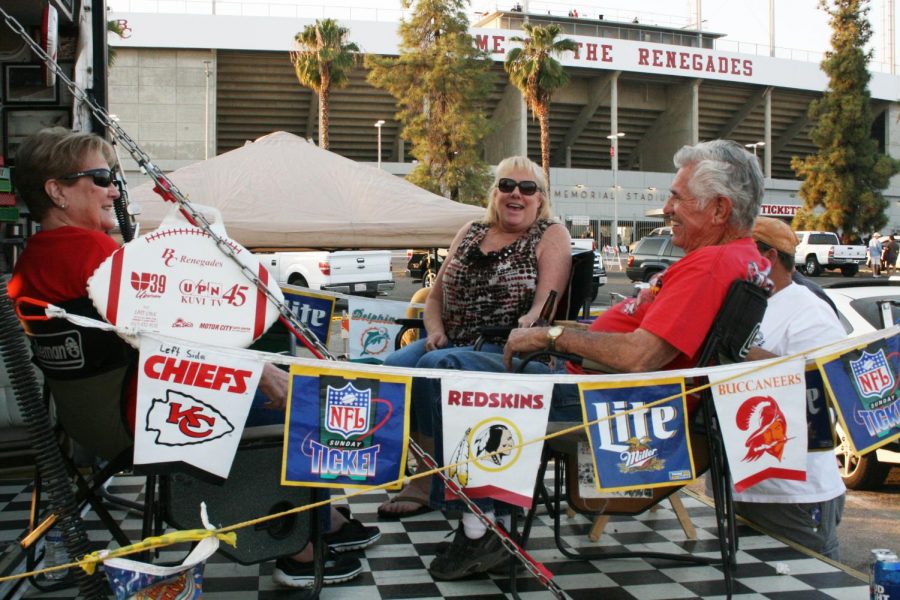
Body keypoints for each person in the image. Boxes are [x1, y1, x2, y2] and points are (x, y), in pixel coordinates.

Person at [7, 127, 378, 586]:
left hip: (92, 423)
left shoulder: (33, 260)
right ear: (57, 191)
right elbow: (179, 329)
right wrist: (260, 372)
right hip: (153, 418)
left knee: (288, 379)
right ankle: (301, 547)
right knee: (306, 398)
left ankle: (324, 519)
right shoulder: (89, 251)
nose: (113, 190)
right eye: (100, 177)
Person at [424, 139, 772, 581]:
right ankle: (491, 519)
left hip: (619, 405)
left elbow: (639, 356)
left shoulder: (709, 266)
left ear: (720, 210)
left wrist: (552, 336)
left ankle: (482, 529)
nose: (666, 208)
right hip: (603, 388)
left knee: (450, 372)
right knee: (456, 367)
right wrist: (568, 335)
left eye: (677, 198)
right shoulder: (740, 260)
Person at [377, 155, 571, 519]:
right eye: (506, 185)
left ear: (541, 199)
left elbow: (544, 309)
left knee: (433, 367)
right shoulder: (470, 231)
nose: (516, 194)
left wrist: (526, 324)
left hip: (509, 349)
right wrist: (435, 330)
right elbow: (434, 297)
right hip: (453, 340)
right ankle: (428, 468)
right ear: (494, 194)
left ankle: (435, 480)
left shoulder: (550, 234)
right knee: (393, 367)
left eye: (527, 188)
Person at [740, 217, 846, 560]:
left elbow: (821, 392)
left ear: (768, 257)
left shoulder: (810, 310)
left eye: (741, 253)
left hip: (796, 494)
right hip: (747, 486)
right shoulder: (748, 302)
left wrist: (743, 352)